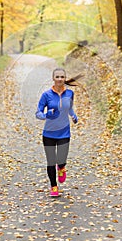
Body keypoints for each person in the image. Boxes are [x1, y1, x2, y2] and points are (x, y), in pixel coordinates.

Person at [35, 67, 79, 197]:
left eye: (62, 77)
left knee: (61, 159)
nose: (60, 79)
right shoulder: (46, 95)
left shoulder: (70, 93)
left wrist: (73, 115)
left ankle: (61, 167)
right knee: (50, 161)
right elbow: (38, 113)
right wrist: (46, 114)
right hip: (49, 133)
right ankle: (54, 187)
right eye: (57, 77)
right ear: (53, 79)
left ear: (65, 79)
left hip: (64, 132)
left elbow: (69, 108)